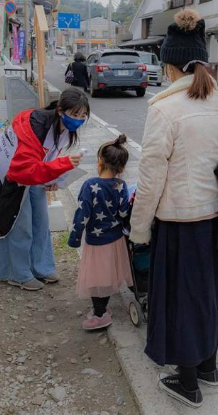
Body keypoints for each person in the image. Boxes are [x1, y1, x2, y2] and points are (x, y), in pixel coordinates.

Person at [130, 9, 218, 408]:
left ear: (170, 65)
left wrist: (139, 228)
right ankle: (209, 364)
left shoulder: (163, 110)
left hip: (180, 222)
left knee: (182, 302)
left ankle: (188, 381)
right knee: (211, 294)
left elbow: (151, 177)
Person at [0, 89, 90, 291]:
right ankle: (18, 273)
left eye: (82, 115)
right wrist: (63, 165)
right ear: (60, 111)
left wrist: (52, 179)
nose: (78, 119)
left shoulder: (64, 130)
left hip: (31, 170)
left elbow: (45, 160)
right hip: (9, 171)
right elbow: (23, 170)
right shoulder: (35, 125)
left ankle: (41, 266)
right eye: (74, 114)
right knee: (19, 220)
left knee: (41, 219)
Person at [68, 135, 133, 331]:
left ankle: (100, 314)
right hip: (115, 239)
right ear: (121, 168)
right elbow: (123, 213)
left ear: (100, 161)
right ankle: (101, 310)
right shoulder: (120, 186)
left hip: (97, 241)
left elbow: (82, 214)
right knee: (107, 275)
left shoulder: (90, 185)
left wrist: (74, 238)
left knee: (97, 279)